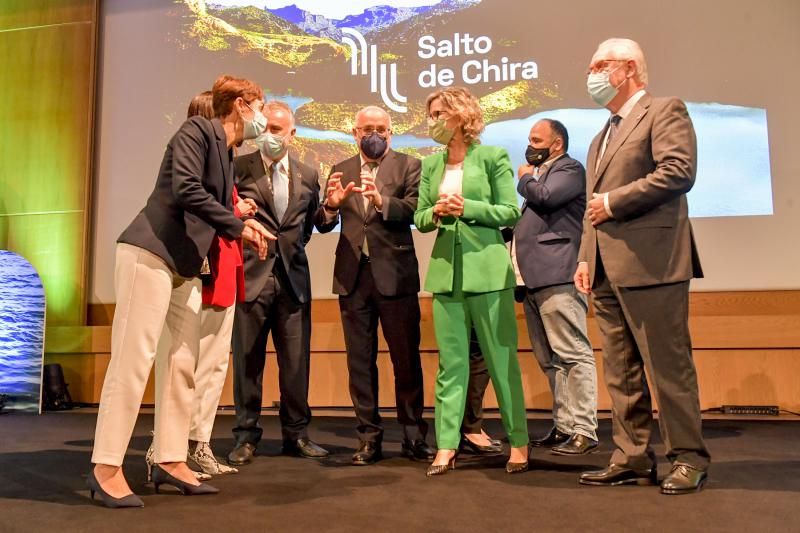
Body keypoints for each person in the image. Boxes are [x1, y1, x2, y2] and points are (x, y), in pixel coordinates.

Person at [88, 75, 274, 508]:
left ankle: (172, 459)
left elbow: (213, 206)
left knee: (182, 363)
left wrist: (238, 222)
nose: (263, 117)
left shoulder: (228, 152)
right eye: (260, 105)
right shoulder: (197, 131)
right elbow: (186, 188)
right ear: (241, 106)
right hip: (150, 251)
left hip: (186, 266)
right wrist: (238, 223)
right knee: (133, 360)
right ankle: (106, 467)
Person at [575, 38, 709, 494]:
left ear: (627, 68)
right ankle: (631, 455)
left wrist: (615, 201)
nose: (590, 73)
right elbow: (592, 208)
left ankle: (688, 458)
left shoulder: (665, 109)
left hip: (654, 264)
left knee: (667, 367)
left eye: (599, 64)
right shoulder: (600, 135)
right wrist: (584, 258)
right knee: (621, 371)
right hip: (607, 269)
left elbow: (678, 171)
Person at [414, 87, 529, 476]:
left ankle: (518, 442)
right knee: (452, 365)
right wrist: (438, 213)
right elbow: (420, 216)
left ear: (460, 116)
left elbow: (510, 211)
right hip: (447, 273)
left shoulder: (492, 157)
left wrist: (469, 207)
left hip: (489, 271)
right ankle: (446, 446)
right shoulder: (431, 165)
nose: (432, 123)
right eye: (430, 115)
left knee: (501, 361)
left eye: (437, 115)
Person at [314, 105, 435, 465]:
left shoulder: (410, 165)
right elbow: (322, 223)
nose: (375, 134)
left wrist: (383, 201)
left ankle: (414, 435)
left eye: (381, 129)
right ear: (354, 132)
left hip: (395, 274)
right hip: (353, 276)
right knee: (360, 363)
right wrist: (332, 208)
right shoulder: (339, 169)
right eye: (367, 128)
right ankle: (368, 438)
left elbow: (416, 209)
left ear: (391, 133)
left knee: (406, 360)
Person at [144, 91, 255, 478]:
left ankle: (198, 445)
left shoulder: (226, 162)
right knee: (182, 362)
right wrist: (233, 213)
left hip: (224, 269)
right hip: (195, 269)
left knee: (212, 366)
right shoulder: (193, 153)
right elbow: (192, 204)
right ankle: (166, 447)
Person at [227, 100, 329, 465]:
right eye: (265, 128)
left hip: (294, 281)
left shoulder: (309, 173)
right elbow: (226, 214)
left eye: (276, 129)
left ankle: (297, 435)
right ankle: (245, 436)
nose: (269, 135)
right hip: (251, 278)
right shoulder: (237, 168)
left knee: (296, 364)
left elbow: (312, 226)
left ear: (291, 134)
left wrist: (330, 208)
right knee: (247, 362)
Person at [514, 119, 599, 455]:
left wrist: (523, 178)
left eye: (537, 140)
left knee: (573, 353)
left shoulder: (569, 168)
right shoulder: (544, 172)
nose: (530, 145)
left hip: (560, 274)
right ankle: (564, 425)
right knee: (551, 359)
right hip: (534, 278)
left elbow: (545, 198)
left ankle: (585, 429)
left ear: (557, 143)